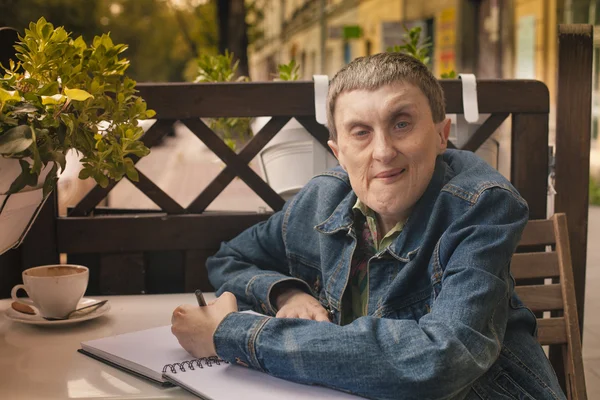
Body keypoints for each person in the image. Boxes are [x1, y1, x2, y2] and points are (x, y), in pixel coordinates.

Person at [171, 52, 565, 400]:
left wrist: (231, 334)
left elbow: (439, 361)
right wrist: (287, 294)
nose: (382, 152)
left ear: (442, 135)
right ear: (338, 153)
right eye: (361, 132)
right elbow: (231, 259)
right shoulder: (322, 201)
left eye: (401, 124)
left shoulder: (481, 206)